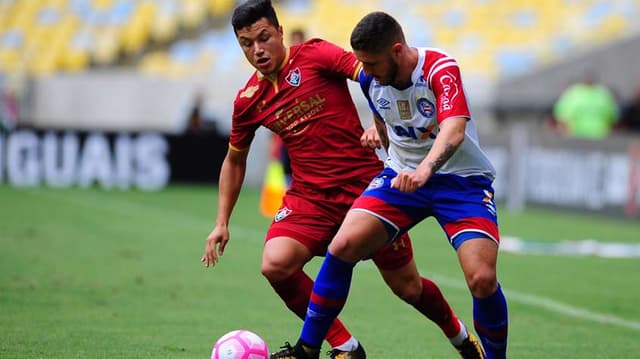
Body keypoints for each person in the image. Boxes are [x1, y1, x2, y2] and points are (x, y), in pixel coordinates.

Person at [201, 2, 484, 359]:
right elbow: (235, 160)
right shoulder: (247, 101)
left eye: (263, 38)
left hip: (363, 189)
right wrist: (221, 222)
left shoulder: (317, 54)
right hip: (310, 198)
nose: (257, 50)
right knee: (275, 264)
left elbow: (372, 74)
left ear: (279, 32)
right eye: (246, 43)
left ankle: (460, 337)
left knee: (408, 288)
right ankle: (345, 347)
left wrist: (379, 123)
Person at [271, 11, 508, 359]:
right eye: (362, 64)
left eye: (371, 63)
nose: (364, 72)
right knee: (343, 246)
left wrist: (426, 169)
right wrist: (378, 135)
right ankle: (308, 349)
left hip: (462, 182)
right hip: (401, 177)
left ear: (397, 51)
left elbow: (454, 129)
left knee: (481, 279)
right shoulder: (371, 80)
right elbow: (387, 118)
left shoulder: (440, 69)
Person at [552, 73, 619, 139]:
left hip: (575, 138)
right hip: (600, 137)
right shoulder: (604, 94)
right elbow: (614, 118)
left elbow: (560, 118)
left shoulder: (572, 93)